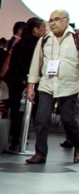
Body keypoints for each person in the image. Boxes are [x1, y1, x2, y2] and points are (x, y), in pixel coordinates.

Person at [25, 10, 79, 164]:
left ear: (67, 20)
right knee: (41, 119)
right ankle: (40, 153)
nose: (53, 23)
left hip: (69, 86)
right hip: (47, 85)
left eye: (57, 19)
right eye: (51, 20)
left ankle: (78, 145)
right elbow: (35, 65)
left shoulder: (75, 38)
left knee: (68, 120)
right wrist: (31, 88)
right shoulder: (45, 39)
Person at [4, 17, 45, 151]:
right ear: (36, 29)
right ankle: (36, 143)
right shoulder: (40, 45)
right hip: (34, 83)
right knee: (37, 113)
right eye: (43, 27)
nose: (45, 30)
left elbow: (12, 63)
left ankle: (15, 139)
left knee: (17, 111)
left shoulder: (19, 44)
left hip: (17, 82)